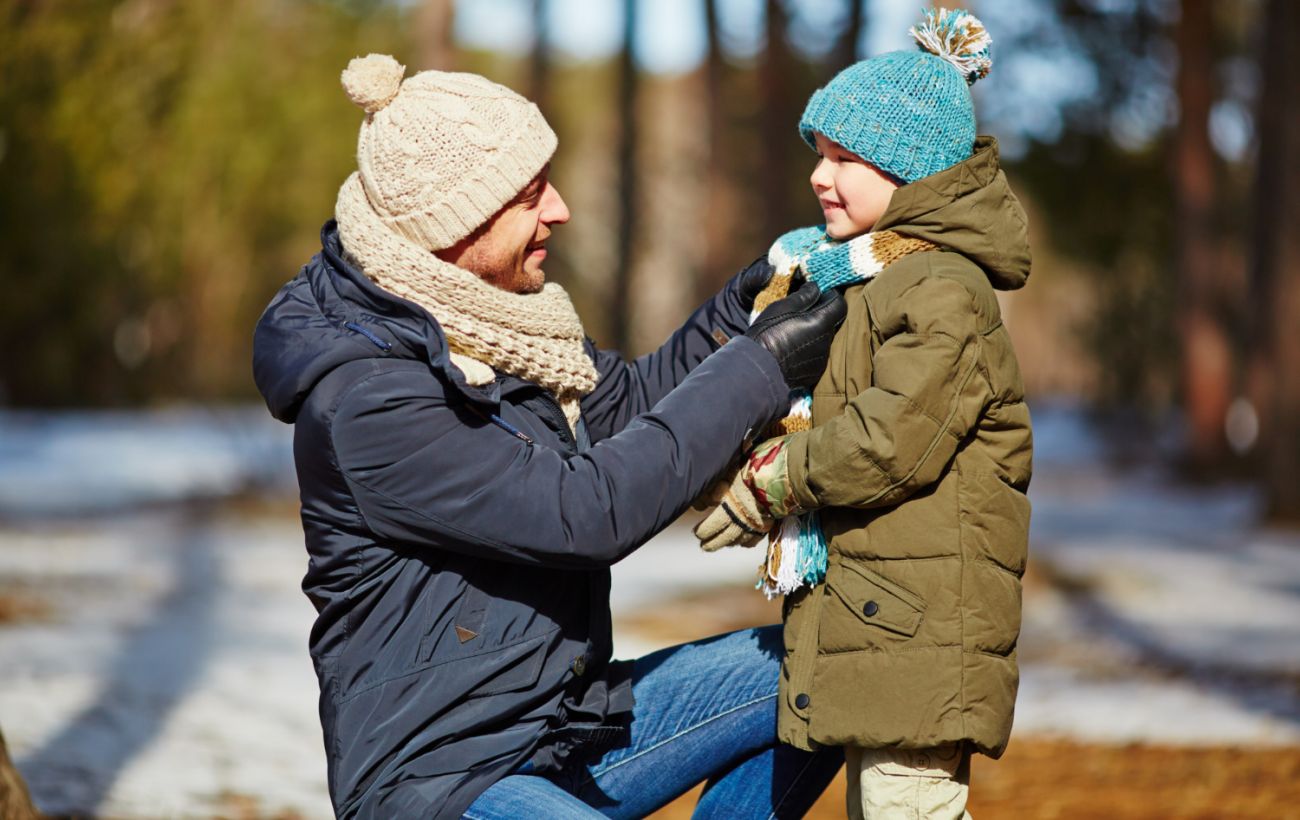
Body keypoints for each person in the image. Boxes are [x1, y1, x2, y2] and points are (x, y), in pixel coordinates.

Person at [252, 54, 847, 818]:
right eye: (532, 196)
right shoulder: (369, 398)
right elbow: (583, 513)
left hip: (567, 728)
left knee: (836, 665)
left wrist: (741, 311)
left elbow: (625, 405)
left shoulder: (494, 325)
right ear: (455, 222)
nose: (560, 210)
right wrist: (761, 370)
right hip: (445, 783)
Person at [694, 9, 1033, 819]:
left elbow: (889, 442)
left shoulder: (945, 289)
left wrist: (771, 484)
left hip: (923, 638)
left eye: (846, 158)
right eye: (819, 153)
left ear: (910, 172)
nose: (821, 175)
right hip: (874, 618)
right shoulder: (858, 278)